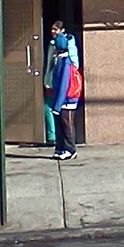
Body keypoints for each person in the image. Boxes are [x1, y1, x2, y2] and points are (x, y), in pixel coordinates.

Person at [42, 21, 79, 146]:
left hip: (67, 92)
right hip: (53, 83)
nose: (53, 32)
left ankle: (69, 147)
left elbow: (74, 66)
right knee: (49, 110)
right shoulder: (53, 45)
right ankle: (57, 142)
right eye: (52, 29)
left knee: (65, 120)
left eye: (56, 29)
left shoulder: (67, 51)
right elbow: (49, 65)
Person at [47, 32, 82, 160]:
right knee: (61, 124)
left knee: (66, 124)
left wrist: (57, 105)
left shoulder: (65, 62)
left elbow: (63, 85)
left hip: (67, 99)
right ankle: (61, 148)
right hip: (63, 99)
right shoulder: (61, 60)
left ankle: (70, 149)